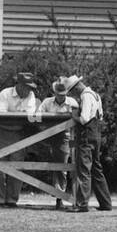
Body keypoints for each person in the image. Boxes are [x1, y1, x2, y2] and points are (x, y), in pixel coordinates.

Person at [0, 72, 40, 206]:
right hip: (0, 133)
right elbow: (2, 116)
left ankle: (12, 200)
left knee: (16, 167)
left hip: (18, 134)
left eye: (30, 87)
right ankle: (0, 200)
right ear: (18, 85)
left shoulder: (31, 95)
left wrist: (17, 117)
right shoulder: (5, 94)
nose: (29, 90)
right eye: (26, 86)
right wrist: (20, 117)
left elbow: (30, 117)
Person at [67, 73, 113, 212]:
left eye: (73, 90)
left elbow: (84, 119)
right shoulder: (95, 95)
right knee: (96, 169)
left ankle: (82, 204)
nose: (74, 94)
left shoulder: (85, 96)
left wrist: (74, 116)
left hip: (87, 135)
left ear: (77, 87)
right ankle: (105, 203)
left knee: (84, 169)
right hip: (96, 134)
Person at [37, 79, 77, 210]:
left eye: (63, 93)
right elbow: (37, 116)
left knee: (65, 166)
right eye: (59, 93)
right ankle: (58, 195)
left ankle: (61, 197)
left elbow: (79, 121)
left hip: (69, 137)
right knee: (54, 165)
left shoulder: (72, 103)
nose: (61, 96)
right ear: (54, 93)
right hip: (48, 135)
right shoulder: (47, 102)